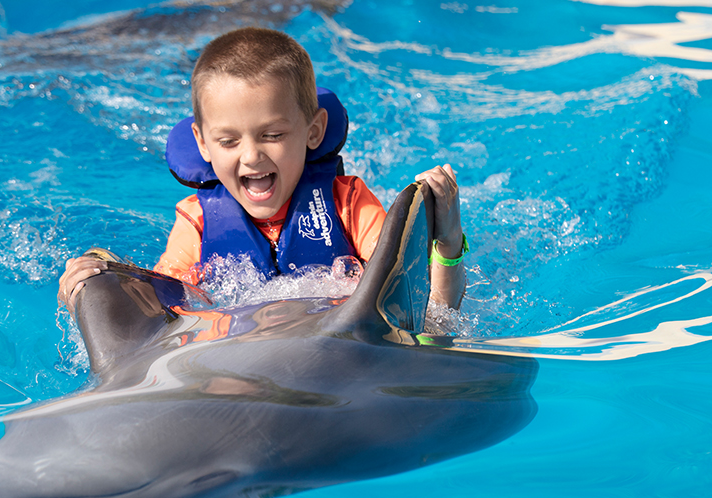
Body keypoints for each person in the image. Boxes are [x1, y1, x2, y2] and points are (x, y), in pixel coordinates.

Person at [58, 27, 467, 313]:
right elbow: (164, 305)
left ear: (313, 131)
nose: (251, 157)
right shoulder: (198, 221)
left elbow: (426, 310)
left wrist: (447, 244)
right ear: (202, 143)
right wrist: (96, 281)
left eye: (272, 134)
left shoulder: (348, 204)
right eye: (229, 141)